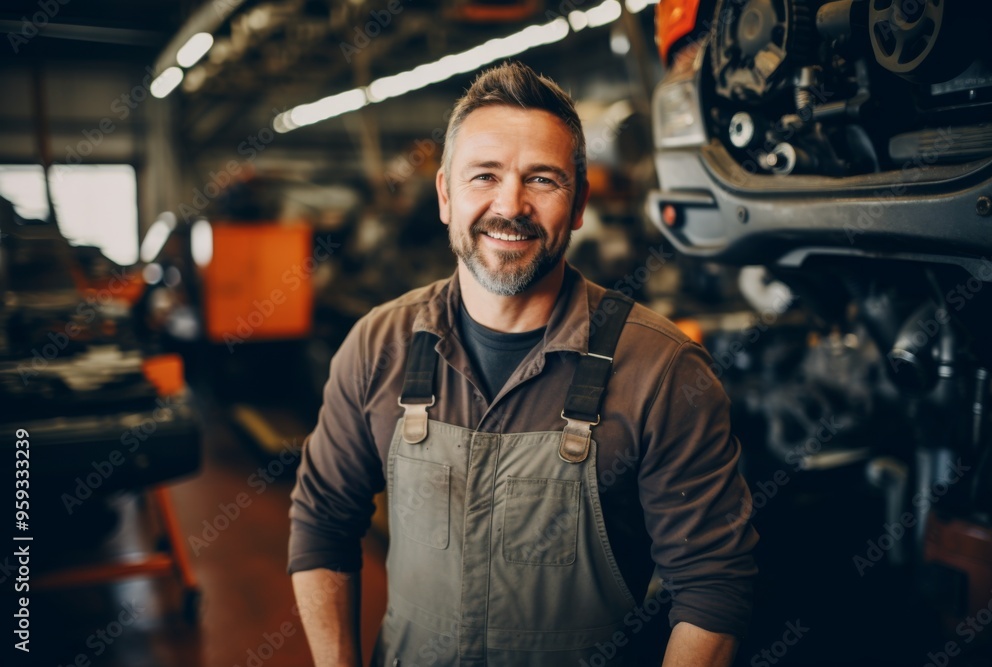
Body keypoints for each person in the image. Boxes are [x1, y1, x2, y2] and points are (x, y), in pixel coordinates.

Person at [288, 61, 758, 667]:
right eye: (484, 176)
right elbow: (323, 522)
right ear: (444, 196)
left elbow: (715, 587)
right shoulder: (378, 345)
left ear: (580, 203)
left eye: (542, 180)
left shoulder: (662, 371)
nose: (510, 205)